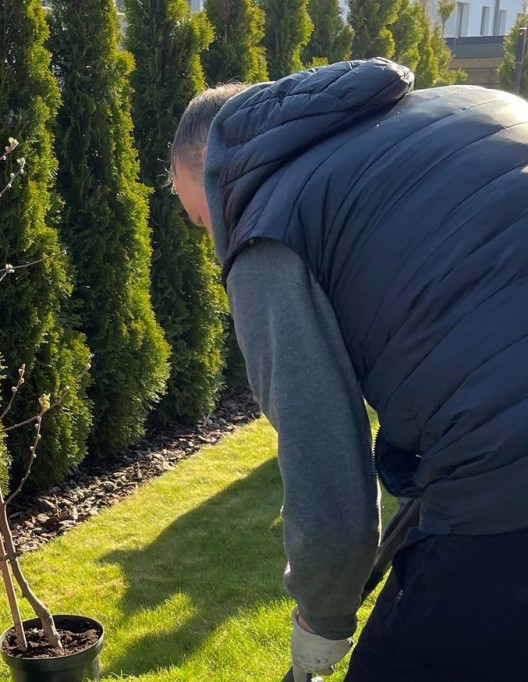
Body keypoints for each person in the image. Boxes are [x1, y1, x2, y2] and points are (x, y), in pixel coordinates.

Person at [170, 57, 528, 682]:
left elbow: (324, 466)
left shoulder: (265, 223)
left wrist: (322, 617)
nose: (215, 241)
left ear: (215, 166)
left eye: (202, 220)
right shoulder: (448, 109)